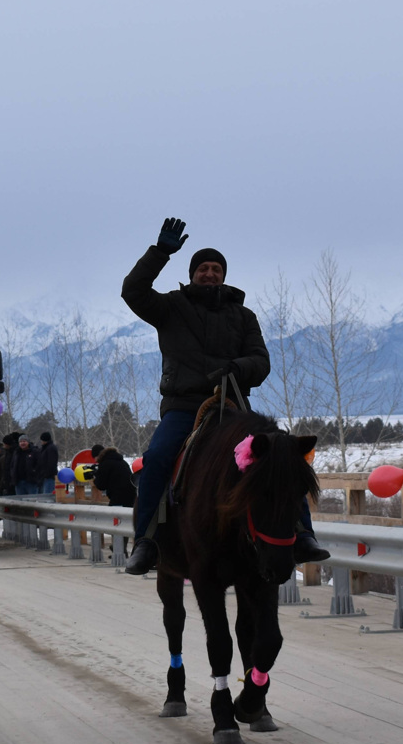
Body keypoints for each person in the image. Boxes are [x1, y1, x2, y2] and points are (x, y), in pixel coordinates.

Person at [120, 216, 328, 574]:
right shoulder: (171, 307)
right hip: (184, 408)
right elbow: (133, 291)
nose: (210, 273)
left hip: (234, 407)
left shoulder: (243, 316)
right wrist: (159, 253)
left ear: (224, 275)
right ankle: (146, 542)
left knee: (282, 455)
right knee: (156, 459)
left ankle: (301, 534)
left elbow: (261, 362)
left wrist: (236, 367)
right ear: (192, 273)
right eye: (203, 268)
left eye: (217, 268)